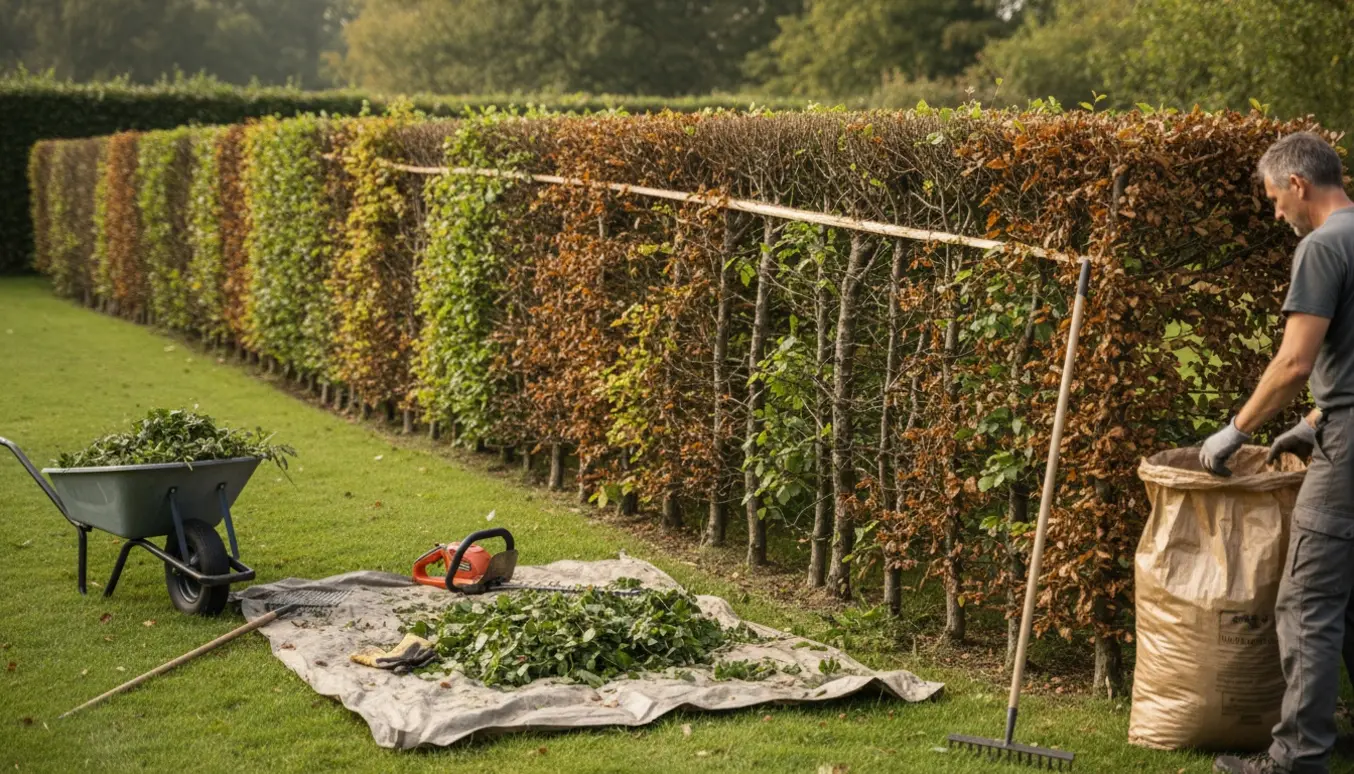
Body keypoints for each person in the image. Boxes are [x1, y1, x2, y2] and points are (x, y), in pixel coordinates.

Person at [1201, 131, 1354, 774]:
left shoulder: (1323, 246)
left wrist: (1236, 429)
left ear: (1298, 184)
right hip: (1339, 425)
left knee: (1307, 600)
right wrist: (1316, 420)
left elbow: (1294, 362)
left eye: (1273, 199)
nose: (1275, 214)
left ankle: (1296, 760)